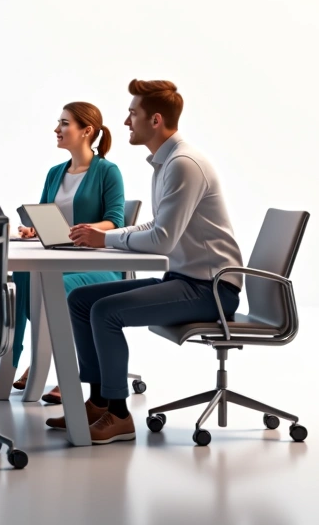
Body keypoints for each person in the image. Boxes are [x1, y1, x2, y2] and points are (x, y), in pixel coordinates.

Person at [55, 80, 243, 445]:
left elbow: (162, 239)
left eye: (132, 114)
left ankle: (119, 415)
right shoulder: (168, 162)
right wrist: (107, 235)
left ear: (155, 120)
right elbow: (157, 226)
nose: (126, 122)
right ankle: (98, 401)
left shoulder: (184, 165)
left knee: (105, 312)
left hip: (211, 290)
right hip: (184, 279)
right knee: (81, 300)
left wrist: (107, 238)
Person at [10, 102, 125, 404]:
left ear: (86, 131)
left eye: (64, 123)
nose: (56, 129)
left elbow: (115, 221)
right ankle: (24, 358)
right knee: (22, 277)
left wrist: (82, 230)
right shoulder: (54, 173)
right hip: (58, 259)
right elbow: (44, 215)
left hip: (97, 265)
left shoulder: (107, 171)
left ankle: (66, 373)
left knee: (57, 286)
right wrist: (33, 230)